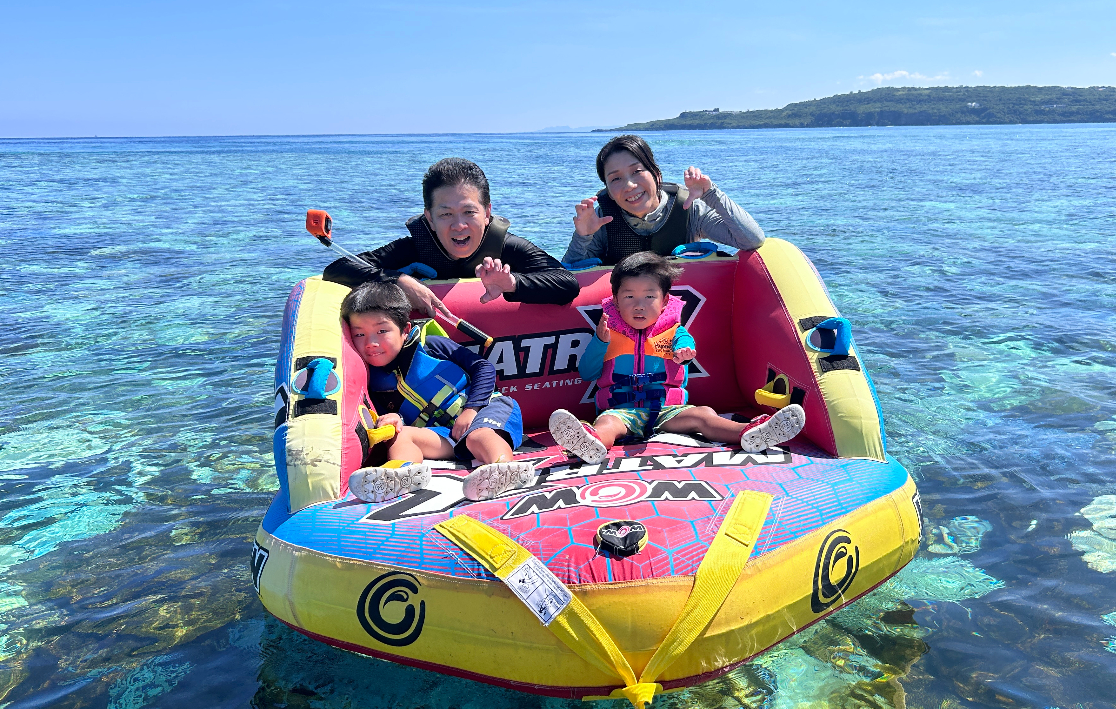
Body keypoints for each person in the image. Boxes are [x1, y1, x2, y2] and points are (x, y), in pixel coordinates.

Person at [548, 252, 805, 463]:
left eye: (649, 296)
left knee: (703, 414)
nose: (639, 304)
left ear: (664, 301)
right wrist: (600, 343)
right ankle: (591, 444)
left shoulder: (676, 332)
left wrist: (685, 352)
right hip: (622, 411)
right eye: (629, 296)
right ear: (615, 300)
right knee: (607, 423)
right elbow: (587, 372)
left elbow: (685, 345)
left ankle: (751, 432)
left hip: (669, 411)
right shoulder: (606, 332)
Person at [341, 280, 534, 502]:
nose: (371, 343)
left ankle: (505, 469)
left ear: (405, 330)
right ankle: (401, 475)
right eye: (359, 334)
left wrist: (471, 410)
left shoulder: (432, 345)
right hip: (446, 435)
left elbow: (484, 368)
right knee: (401, 436)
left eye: (382, 330)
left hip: (488, 410)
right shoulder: (371, 380)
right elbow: (397, 417)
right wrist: (396, 418)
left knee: (477, 436)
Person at [325, 157, 580, 321]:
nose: (459, 225)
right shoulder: (415, 248)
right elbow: (337, 268)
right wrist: (399, 281)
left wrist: (511, 283)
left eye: (469, 212)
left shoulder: (505, 247)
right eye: (446, 214)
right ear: (430, 218)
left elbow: (568, 283)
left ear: (488, 212)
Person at [562, 135, 765, 268]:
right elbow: (568, 280)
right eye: (616, 178)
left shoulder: (687, 208)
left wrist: (711, 194)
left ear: (657, 175)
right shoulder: (601, 219)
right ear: (608, 189)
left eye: (637, 171)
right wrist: (583, 236)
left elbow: (751, 240)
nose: (630, 185)